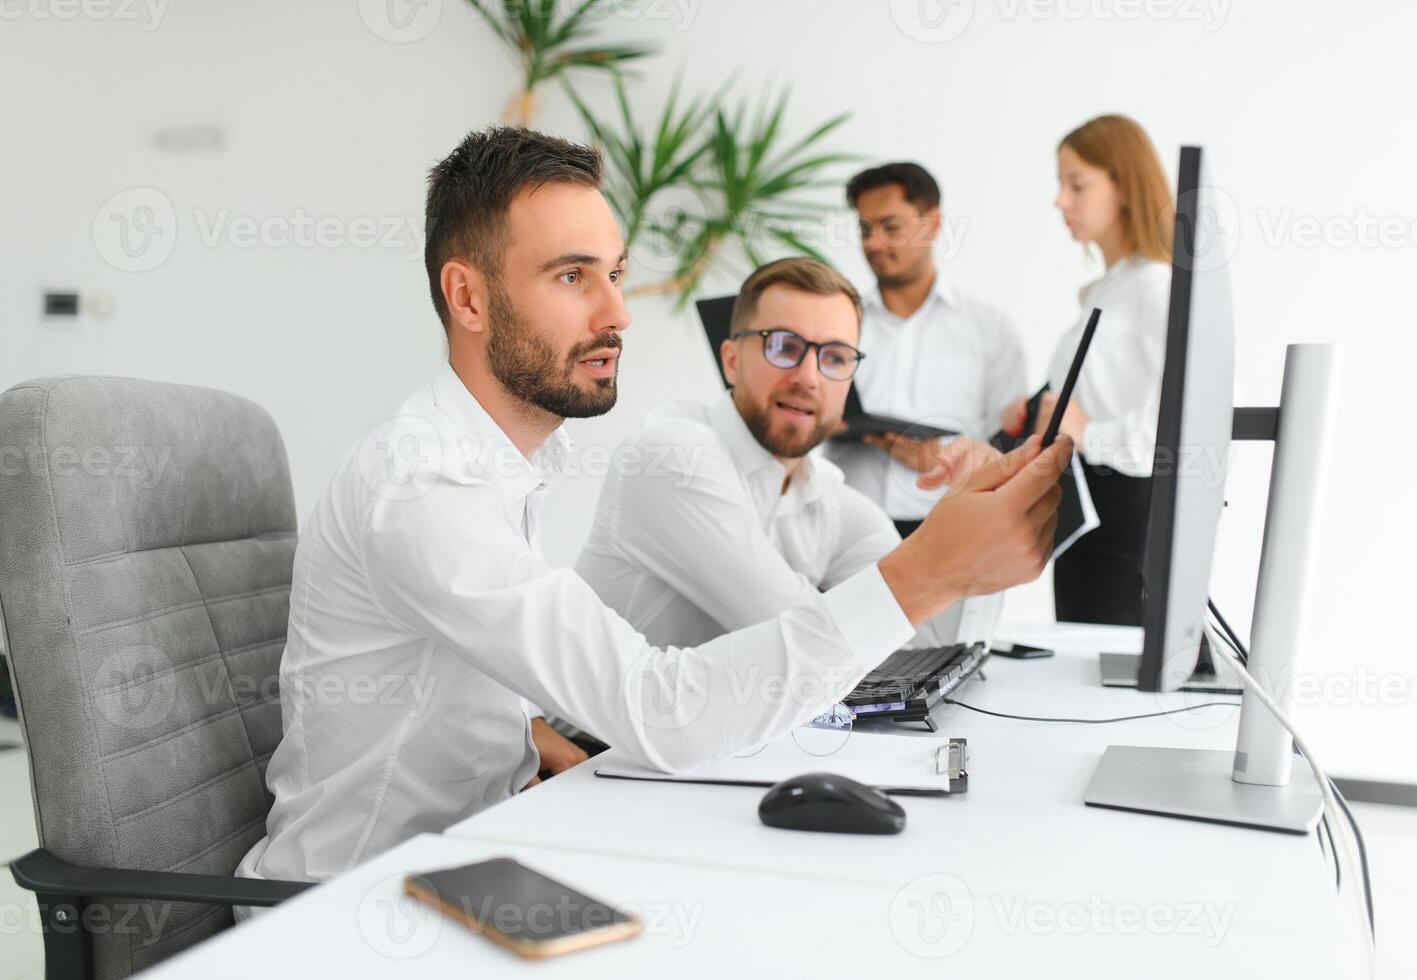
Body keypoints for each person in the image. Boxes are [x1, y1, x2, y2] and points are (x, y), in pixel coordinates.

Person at [235, 127, 1071, 895]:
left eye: (615, 274)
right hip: (345, 914)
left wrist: (528, 741)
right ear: (469, 298)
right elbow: (663, 709)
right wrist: (925, 570)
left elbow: (443, 692)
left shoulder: (497, 467)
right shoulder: (422, 483)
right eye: (572, 276)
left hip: (477, 859)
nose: (618, 313)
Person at [577, 257, 983, 650]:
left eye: (835, 358)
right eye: (785, 347)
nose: (808, 377)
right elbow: (806, 641)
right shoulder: (671, 458)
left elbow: (926, 646)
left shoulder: (830, 499)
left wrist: (981, 507)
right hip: (580, 724)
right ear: (732, 361)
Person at [1000, 114, 1174, 626]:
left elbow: (1193, 420)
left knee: (1111, 689)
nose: (1060, 201)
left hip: (1124, 528)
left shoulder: (1155, 287)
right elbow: (1097, 391)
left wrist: (1087, 434)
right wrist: (1038, 408)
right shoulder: (1109, 289)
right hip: (1083, 522)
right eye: (1060, 185)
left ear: (1125, 185)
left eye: (1077, 184)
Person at [826, 162, 1027, 539]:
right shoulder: (836, 323)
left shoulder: (990, 329)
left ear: (933, 223)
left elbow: (1012, 448)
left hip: (951, 530)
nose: (873, 243)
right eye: (864, 229)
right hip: (843, 529)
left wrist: (947, 457)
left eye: (891, 227)